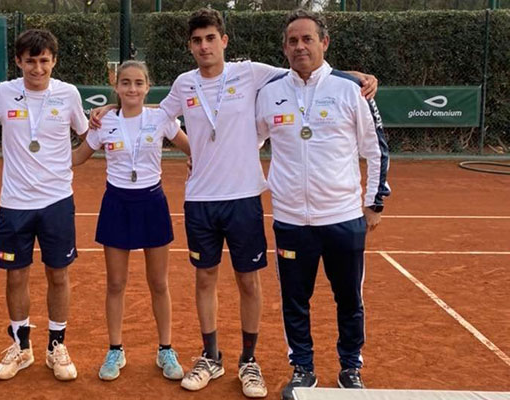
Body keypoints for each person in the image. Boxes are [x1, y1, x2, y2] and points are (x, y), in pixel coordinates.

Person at [90, 8, 378, 398]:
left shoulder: (252, 73)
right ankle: (211, 356)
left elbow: (304, 70)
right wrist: (110, 110)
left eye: (211, 38)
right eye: (197, 40)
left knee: (248, 280)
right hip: (200, 199)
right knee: (205, 278)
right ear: (190, 46)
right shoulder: (184, 84)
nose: (204, 46)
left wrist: (354, 77)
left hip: (244, 197)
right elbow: (149, 114)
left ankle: (249, 361)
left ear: (224, 41)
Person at [254, 10, 390, 399]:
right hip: (290, 220)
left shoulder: (351, 90)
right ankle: (303, 367)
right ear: (284, 48)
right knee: (295, 301)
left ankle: (350, 367)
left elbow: (375, 149)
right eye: (292, 41)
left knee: (349, 299)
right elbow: (250, 141)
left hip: (342, 218)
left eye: (307, 39)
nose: (300, 47)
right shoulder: (269, 92)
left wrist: (374, 203)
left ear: (324, 43)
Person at [72, 60, 191, 382]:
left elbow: (190, 148)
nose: (132, 88)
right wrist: (39, 159)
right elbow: (79, 156)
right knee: (115, 283)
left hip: (152, 203)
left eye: (139, 83)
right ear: (116, 86)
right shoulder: (104, 122)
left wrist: (207, 160)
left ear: (148, 87)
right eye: (125, 83)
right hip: (117, 204)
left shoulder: (161, 118)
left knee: (159, 283)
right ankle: (115, 349)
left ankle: (166, 349)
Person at [0, 28, 89, 382]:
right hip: (14, 204)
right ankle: (22, 347)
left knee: (58, 274)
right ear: (18, 61)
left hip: (57, 201)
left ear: (54, 61)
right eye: (30, 61)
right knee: (16, 276)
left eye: (44, 61)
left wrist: (68, 163)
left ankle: (56, 346)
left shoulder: (68, 94)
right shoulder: (3, 94)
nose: (38, 68)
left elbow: (88, 135)